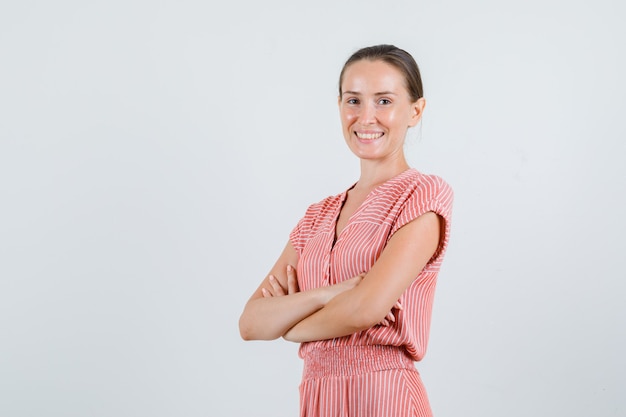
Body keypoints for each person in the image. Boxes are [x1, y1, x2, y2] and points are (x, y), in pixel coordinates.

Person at [239, 44, 453, 417]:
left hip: (383, 395)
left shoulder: (422, 195)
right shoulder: (316, 216)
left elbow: (365, 309)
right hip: (318, 395)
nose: (366, 116)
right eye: (353, 100)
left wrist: (290, 326)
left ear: (415, 111)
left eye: (384, 101)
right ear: (339, 105)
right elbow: (251, 322)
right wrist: (327, 295)